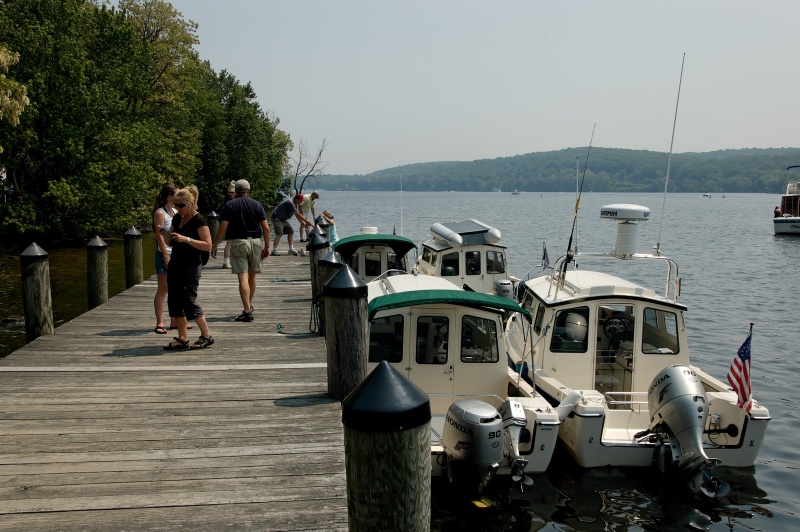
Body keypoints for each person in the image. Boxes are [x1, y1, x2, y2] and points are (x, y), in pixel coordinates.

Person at [211, 179, 271, 322]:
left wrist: (215, 245)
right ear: (248, 191)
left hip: (238, 242)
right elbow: (266, 228)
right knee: (253, 276)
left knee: (242, 277)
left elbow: (223, 227)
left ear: (235, 191)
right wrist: (267, 246)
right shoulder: (257, 205)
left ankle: (246, 309)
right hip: (256, 242)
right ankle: (248, 306)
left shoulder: (229, 205)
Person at [164, 186, 214, 350]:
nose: (178, 209)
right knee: (175, 301)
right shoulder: (177, 219)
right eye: (175, 205)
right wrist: (166, 236)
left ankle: (206, 335)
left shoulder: (199, 220)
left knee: (188, 300)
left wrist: (185, 239)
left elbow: (207, 245)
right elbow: (169, 240)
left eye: (181, 206)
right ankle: (183, 337)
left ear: (190, 203)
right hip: (176, 263)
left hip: (191, 264)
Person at [152, 183, 179, 334]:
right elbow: (159, 236)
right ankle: (159, 322)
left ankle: (175, 320)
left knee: (176, 288)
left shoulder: (175, 211)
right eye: (176, 194)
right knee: (163, 289)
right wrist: (166, 255)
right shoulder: (160, 213)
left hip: (177, 254)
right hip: (164, 254)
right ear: (169, 197)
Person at [222, 180, 236, 269]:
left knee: (230, 243)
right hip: (231, 224)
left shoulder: (227, 198)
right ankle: (226, 262)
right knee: (230, 243)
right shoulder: (231, 200)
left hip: (228, 223)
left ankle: (227, 261)